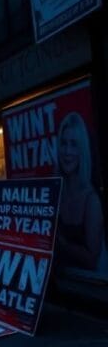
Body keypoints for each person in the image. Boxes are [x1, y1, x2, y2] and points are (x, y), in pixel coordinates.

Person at [56, 112, 108, 274]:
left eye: (74, 144)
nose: (67, 151)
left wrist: (62, 245)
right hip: (60, 284)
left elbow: (92, 260)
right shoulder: (57, 192)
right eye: (63, 143)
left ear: (82, 150)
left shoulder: (91, 201)